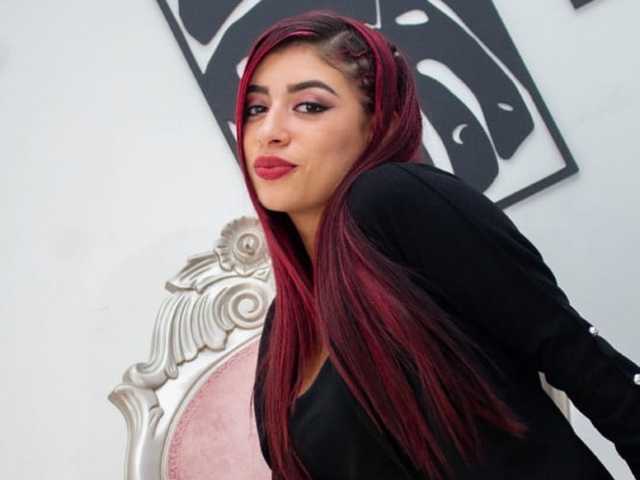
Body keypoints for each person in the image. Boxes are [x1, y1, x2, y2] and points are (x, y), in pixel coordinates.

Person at [233, 9, 640, 480]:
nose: (270, 132)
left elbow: (585, 365)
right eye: (255, 109)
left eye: (309, 106)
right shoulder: (283, 329)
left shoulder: (394, 201)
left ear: (381, 124)